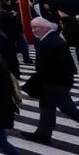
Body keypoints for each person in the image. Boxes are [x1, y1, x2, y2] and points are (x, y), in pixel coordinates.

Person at [22, 17, 79, 145]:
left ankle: (43, 133)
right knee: (47, 107)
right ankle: (43, 133)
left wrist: (35, 81)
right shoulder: (51, 39)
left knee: (68, 109)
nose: (33, 31)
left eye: (35, 28)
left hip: (55, 82)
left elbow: (44, 67)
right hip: (57, 80)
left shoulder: (48, 43)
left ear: (44, 28)